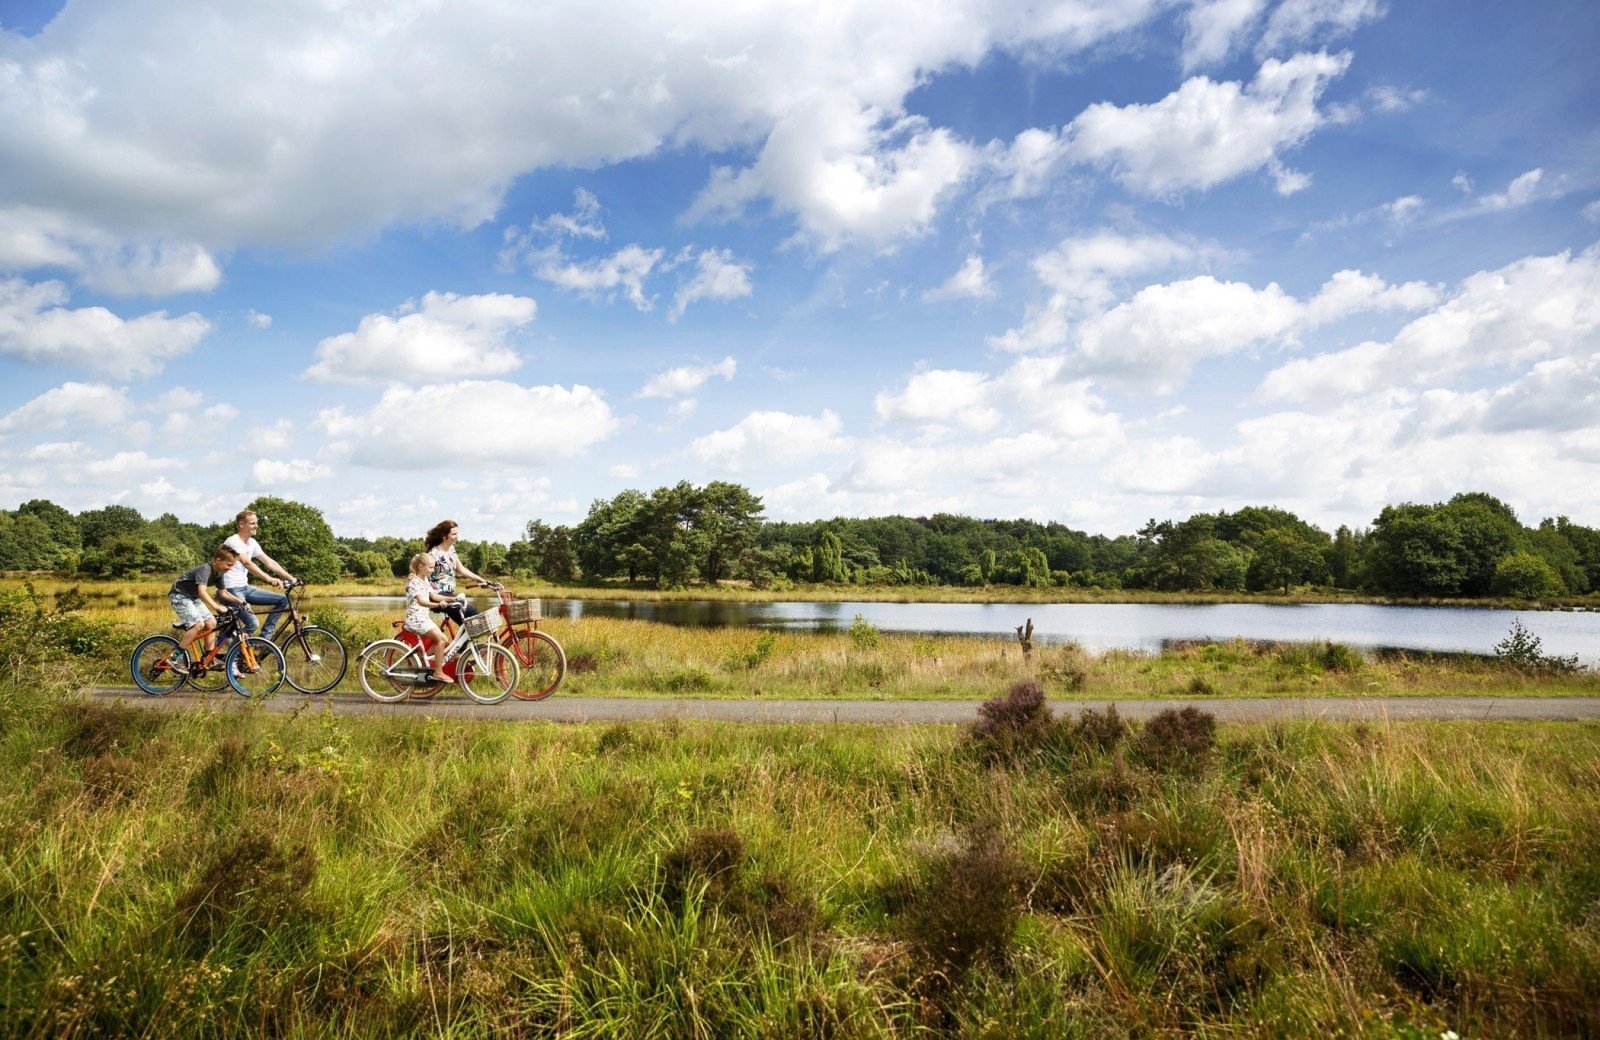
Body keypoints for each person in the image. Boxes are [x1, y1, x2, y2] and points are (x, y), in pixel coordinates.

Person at [222, 509, 297, 641]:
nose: (256, 526)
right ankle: (233, 652)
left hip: (245, 588)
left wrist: (291, 578)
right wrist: (268, 578)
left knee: (284, 600)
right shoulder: (233, 541)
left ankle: (264, 640)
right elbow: (247, 563)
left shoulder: (252, 543)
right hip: (230, 590)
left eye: (257, 523)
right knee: (252, 623)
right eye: (252, 523)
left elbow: (270, 562)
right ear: (241, 524)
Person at [168, 544, 243, 673]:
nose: (230, 568)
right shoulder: (205, 569)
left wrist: (240, 601)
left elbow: (223, 592)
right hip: (179, 595)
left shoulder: (219, 573)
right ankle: (174, 657)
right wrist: (216, 606)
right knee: (198, 625)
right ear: (218, 561)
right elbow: (202, 592)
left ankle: (208, 657)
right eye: (229, 565)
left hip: (192, 597)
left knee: (212, 623)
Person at [423, 519, 489, 625]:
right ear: (444, 536)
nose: (457, 536)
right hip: (437, 595)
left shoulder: (451, 549)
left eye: (457, 533)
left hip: (449, 594)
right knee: (473, 615)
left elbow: (461, 569)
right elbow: (422, 573)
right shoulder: (434, 554)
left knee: (470, 624)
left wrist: (480, 579)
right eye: (454, 534)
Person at [404, 552, 453, 684]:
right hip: (416, 619)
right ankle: (438, 672)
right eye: (430, 567)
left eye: (433, 567)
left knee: (443, 641)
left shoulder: (424, 580)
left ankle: (421, 659)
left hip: (423, 618)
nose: (433, 570)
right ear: (421, 566)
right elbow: (421, 601)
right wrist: (438, 605)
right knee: (442, 640)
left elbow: (434, 596)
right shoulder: (414, 582)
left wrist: (453, 599)